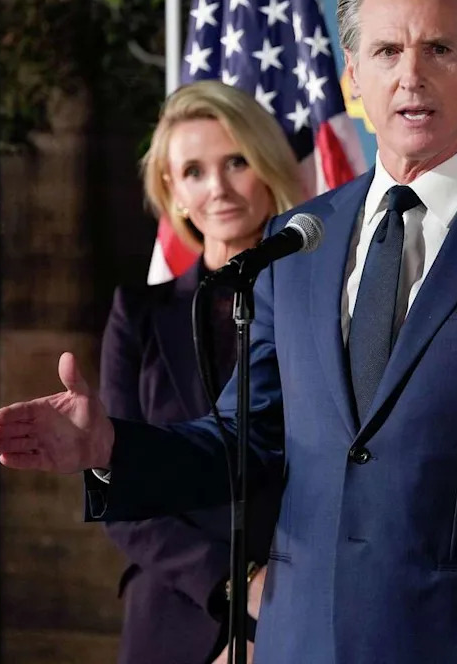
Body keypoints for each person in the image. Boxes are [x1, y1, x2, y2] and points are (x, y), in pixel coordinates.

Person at [0, 0, 457, 664]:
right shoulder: (298, 242)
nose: (412, 75)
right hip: (302, 640)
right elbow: (243, 441)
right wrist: (111, 446)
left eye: (439, 49)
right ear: (354, 75)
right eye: (387, 51)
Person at [98, 80, 306, 664]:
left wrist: (272, 615)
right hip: (171, 620)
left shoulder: (326, 310)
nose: (218, 188)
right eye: (194, 171)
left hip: (299, 617)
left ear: (267, 165)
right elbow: (117, 492)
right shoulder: (137, 315)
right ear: (173, 190)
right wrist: (236, 585)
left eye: (236, 161)